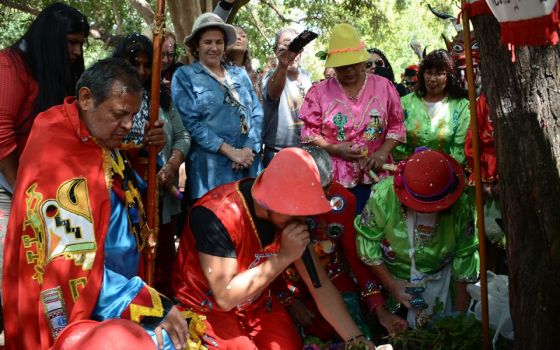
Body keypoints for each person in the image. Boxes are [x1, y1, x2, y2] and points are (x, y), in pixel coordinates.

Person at [2, 58, 190, 350]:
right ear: (86, 98)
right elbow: (72, 265)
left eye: (133, 115)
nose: (128, 125)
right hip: (94, 300)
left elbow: (117, 183)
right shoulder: (58, 163)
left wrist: (144, 151)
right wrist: (150, 304)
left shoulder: (91, 134)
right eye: (120, 114)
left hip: (119, 280)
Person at [172, 147, 379, 350]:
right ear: (272, 203)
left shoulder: (289, 219)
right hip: (208, 308)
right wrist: (284, 256)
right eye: (297, 211)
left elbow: (320, 285)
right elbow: (225, 297)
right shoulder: (217, 215)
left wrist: (355, 338)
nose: (304, 219)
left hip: (256, 303)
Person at [0, 1, 89, 334]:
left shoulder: (56, 67)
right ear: (51, 39)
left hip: (46, 185)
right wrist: (22, 187)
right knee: (11, 270)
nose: (78, 51)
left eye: (81, 43)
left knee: (57, 272)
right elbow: (1, 134)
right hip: (8, 184)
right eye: (71, 43)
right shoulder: (9, 68)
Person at [270, 146, 407, 343]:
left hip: (333, 277)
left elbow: (355, 255)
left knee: (355, 332)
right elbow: (266, 255)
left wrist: (379, 308)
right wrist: (287, 300)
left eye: (328, 187)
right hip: (289, 281)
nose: (324, 198)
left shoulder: (342, 200)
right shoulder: (278, 204)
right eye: (318, 190)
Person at [354, 149, 479, 328]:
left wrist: (458, 319)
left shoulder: (461, 208)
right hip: (393, 285)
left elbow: (465, 257)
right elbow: (367, 244)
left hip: (444, 285)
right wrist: (391, 284)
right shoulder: (383, 197)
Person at [112, 33, 190, 297]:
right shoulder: (107, 97)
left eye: (148, 65)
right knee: (130, 256)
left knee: (163, 256)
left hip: (161, 192)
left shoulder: (161, 97)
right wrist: (140, 145)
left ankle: (164, 313)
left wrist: (172, 163)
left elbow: (183, 136)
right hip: (122, 195)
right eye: (135, 63)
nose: (142, 71)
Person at [299, 24, 406, 214]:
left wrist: (382, 152)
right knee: (338, 232)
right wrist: (334, 148)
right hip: (335, 178)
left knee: (377, 229)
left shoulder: (385, 87)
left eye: (353, 65)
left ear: (363, 62)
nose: (348, 70)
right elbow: (309, 133)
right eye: (342, 67)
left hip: (377, 174)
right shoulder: (318, 93)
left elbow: (397, 127)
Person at [172, 13, 263, 202]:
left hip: (248, 165)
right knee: (216, 225)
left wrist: (247, 149)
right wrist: (232, 152)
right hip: (210, 170)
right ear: (197, 46)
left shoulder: (239, 74)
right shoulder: (185, 75)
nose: (214, 48)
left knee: (250, 224)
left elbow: (256, 111)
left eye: (219, 42)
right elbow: (191, 123)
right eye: (208, 42)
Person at [392, 49, 469, 166]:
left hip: (448, 175)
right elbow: (394, 140)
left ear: (450, 77)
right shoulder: (405, 103)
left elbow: (460, 148)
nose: (432, 79)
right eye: (429, 72)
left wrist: (436, 168)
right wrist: (414, 164)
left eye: (439, 74)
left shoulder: (462, 106)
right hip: (408, 172)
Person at [261, 27, 313, 166]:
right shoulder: (271, 75)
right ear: (276, 52)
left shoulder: (306, 76)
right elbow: (272, 93)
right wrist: (283, 65)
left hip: (305, 153)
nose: (291, 52)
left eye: (295, 45)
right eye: (285, 46)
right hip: (278, 154)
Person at [225, 25, 262, 100]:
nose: (238, 38)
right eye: (234, 35)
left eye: (242, 36)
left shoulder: (254, 76)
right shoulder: (219, 71)